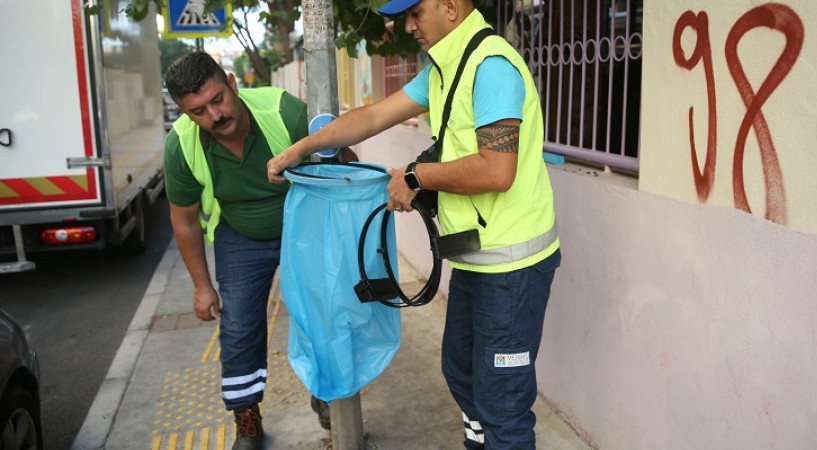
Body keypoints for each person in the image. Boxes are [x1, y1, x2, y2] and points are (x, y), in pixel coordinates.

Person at [267, 0, 562, 448]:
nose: (408, 26)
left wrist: (414, 176)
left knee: (503, 402)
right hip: (477, 258)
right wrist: (300, 148)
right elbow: (372, 116)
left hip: (513, 268)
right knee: (461, 371)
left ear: (450, 6)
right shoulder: (447, 66)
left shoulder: (492, 67)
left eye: (415, 13)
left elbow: (496, 172)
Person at [162, 51, 309, 450]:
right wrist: (201, 287)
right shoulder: (181, 146)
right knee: (240, 327)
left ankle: (326, 395)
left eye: (218, 100)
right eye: (198, 112)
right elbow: (185, 220)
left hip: (304, 227)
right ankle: (247, 420)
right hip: (239, 234)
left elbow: (338, 165)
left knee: (320, 315)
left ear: (232, 82)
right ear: (183, 112)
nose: (214, 116)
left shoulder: (284, 113)